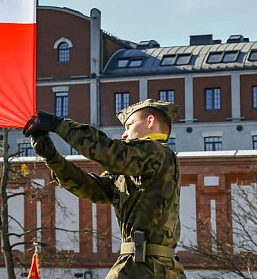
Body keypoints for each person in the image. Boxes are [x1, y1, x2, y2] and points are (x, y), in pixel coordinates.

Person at [23, 99, 186, 279]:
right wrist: (53, 158)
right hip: (146, 266)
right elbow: (91, 187)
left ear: (150, 121)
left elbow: (109, 152)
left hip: (146, 267)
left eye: (129, 126)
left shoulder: (158, 152)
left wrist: (58, 124)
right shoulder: (135, 168)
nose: (124, 134)